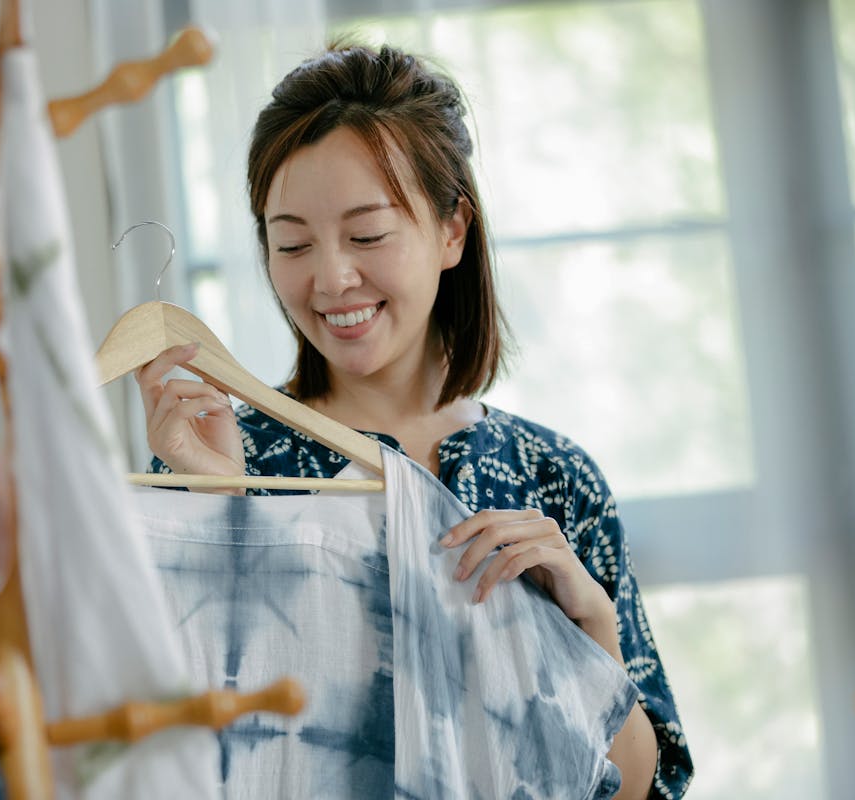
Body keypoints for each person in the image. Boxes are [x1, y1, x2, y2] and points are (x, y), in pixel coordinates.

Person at [135, 41, 693, 799]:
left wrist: (591, 625)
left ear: (453, 230)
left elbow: (634, 789)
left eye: (367, 235)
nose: (330, 279)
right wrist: (223, 516)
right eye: (292, 242)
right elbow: (172, 753)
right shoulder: (224, 460)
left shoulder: (554, 478)